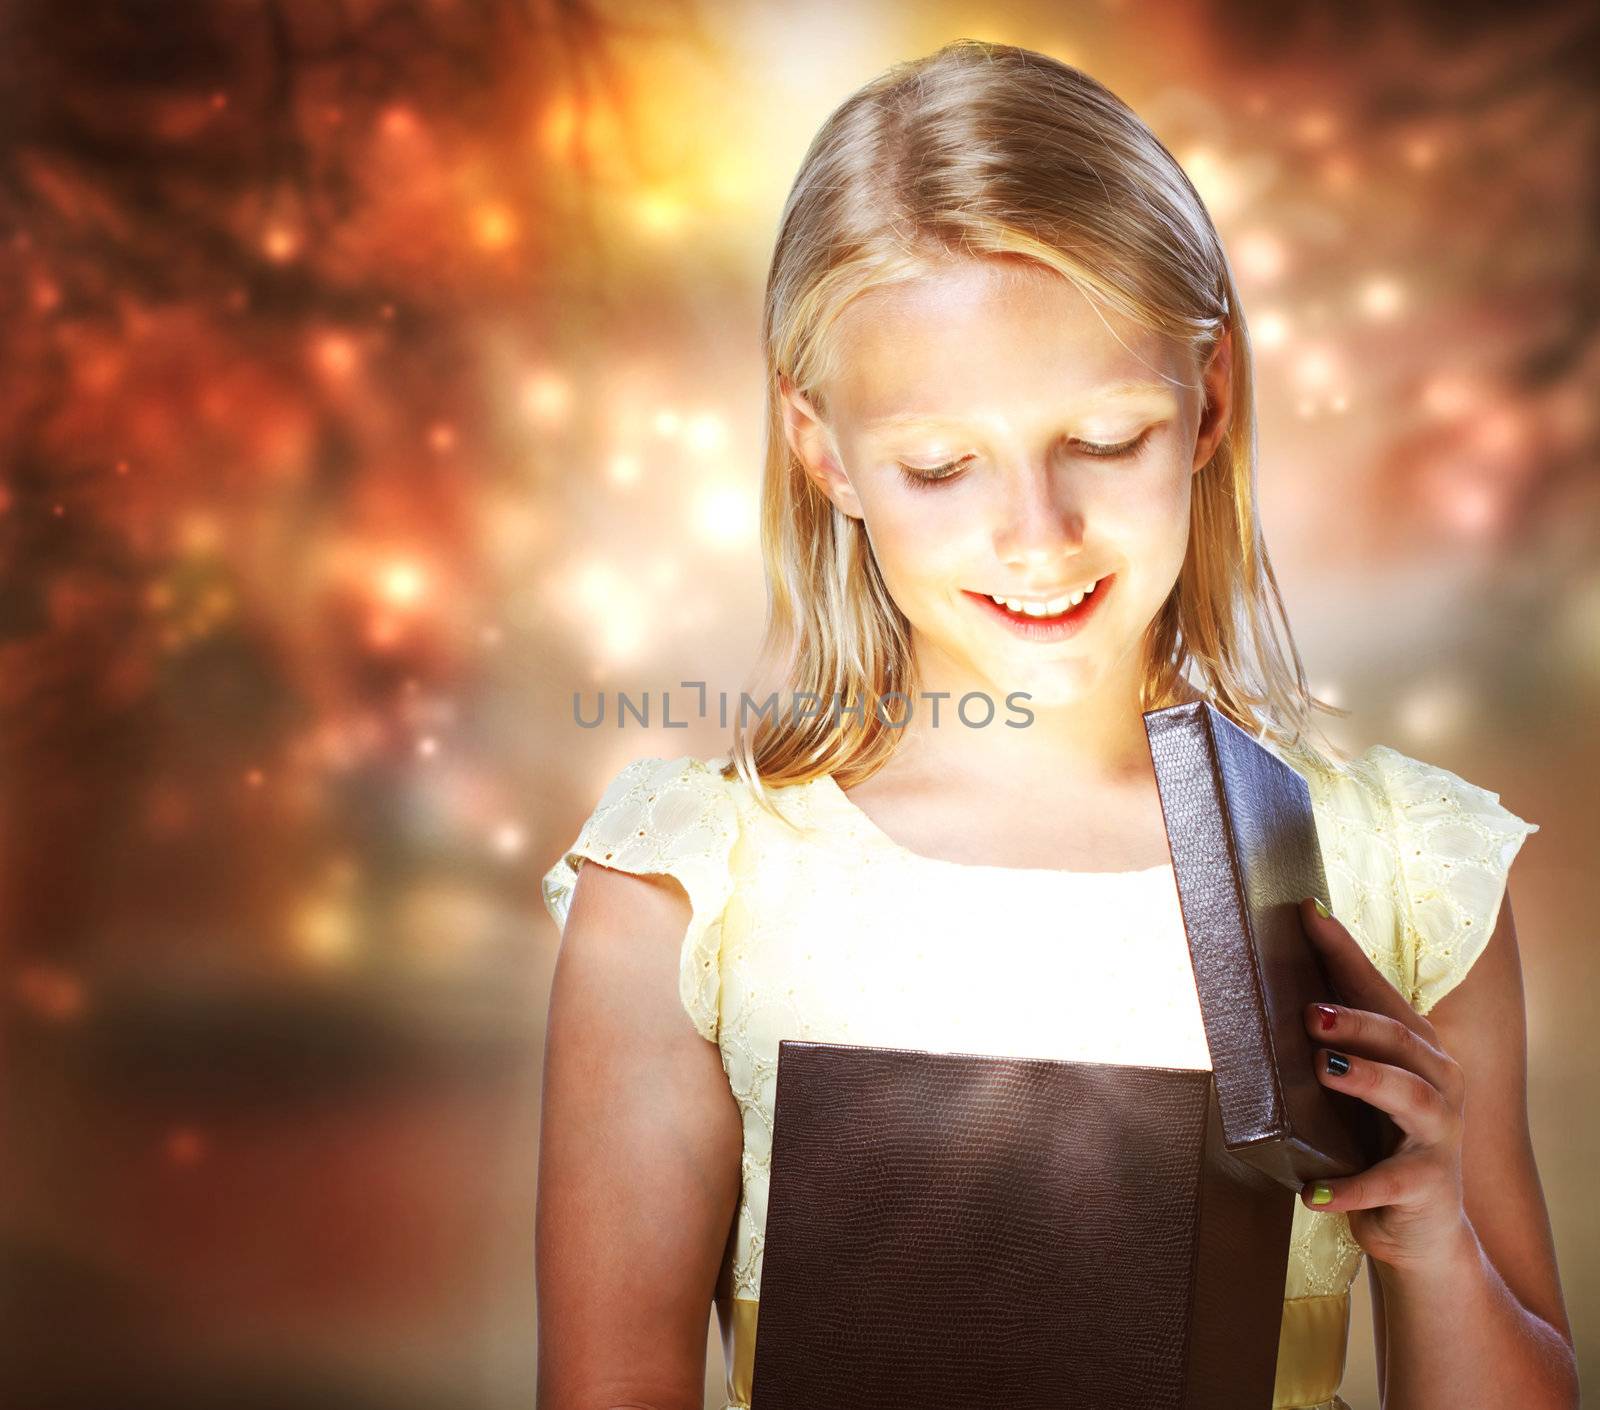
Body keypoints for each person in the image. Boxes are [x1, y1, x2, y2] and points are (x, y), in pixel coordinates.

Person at [535, 39, 1577, 1410]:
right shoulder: (686, 888)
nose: (1037, 534)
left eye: (1102, 438)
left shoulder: (1395, 864)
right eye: (942, 463)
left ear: (1206, 404)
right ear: (824, 450)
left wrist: (1437, 1244)